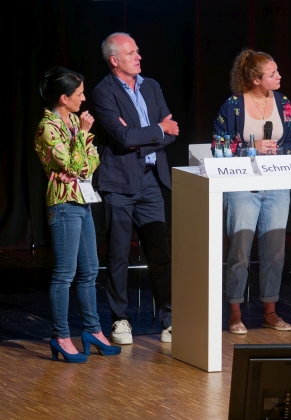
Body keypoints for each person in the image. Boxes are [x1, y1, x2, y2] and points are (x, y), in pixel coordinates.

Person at [92, 32, 179, 344]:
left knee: (160, 253)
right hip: (119, 183)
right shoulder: (103, 92)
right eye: (132, 53)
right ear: (115, 60)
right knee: (118, 255)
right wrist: (156, 131)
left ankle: (169, 320)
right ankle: (120, 319)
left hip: (151, 181)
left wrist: (143, 136)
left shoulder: (151, 86)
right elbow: (123, 137)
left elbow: (172, 130)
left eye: (138, 51)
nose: (139, 57)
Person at [35, 66, 121, 363]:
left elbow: (90, 163)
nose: (84, 99)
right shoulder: (47, 128)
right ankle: (61, 336)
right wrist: (82, 138)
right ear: (64, 97)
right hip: (63, 204)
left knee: (90, 270)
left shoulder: (73, 121)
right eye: (79, 94)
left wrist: (80, 152)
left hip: (82, 200)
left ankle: (93, 330)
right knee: (65, 273)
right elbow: (73, 166)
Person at [213, 48, 291, 334]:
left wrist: (277, 151)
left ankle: (270, 312)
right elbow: (218, 145)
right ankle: (235, 312)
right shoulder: (233, 105)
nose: (279, 76)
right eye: (272, 74)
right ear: (255, 79)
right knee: (240, 250)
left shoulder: (283, 103)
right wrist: (252, 148)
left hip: (277, 184)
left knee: (274, 251)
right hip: (243, 186)